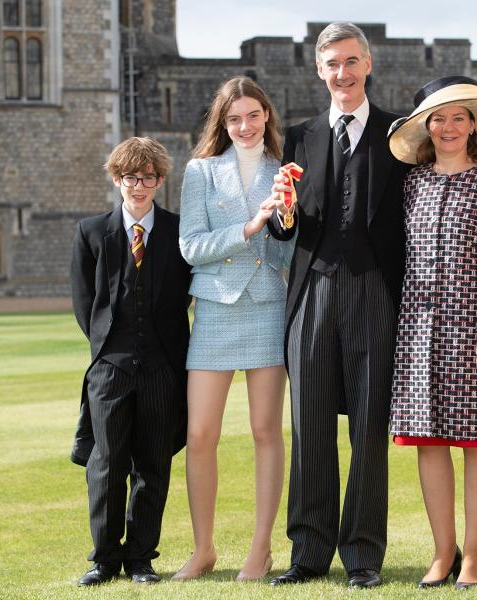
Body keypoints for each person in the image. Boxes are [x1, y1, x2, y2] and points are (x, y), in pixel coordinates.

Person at [265, 22, 409, 589]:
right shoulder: (300, 137)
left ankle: (364, 555)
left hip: (376, 293)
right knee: (309, 429)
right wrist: (284, 214)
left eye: (351, 62)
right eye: (332, 65)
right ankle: (309, 552)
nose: (342, 73)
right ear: (319, 71)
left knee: (370, 430)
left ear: (367, 64)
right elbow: (287, 231)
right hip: (313, 295)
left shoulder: (400, 134)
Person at [386, 76, 477, 589]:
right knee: (429, 442)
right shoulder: (411, 184)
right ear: (426, 126)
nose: (448, 127)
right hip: (419, 333)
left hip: (476, 332)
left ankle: (473, 554)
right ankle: (441, 552)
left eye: (458, 117)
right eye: (438, 118)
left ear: (473, 126)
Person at [171, 76, 290, 583]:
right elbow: (190, 247)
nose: (244, 126)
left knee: (266, 431)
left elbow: (288, 251)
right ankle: (203, 550)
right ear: (223, 123)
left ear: (267, 117)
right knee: (200, 435)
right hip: (216, 310)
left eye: (253, 116)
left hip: (268, 305)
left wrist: (285, 218)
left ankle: (259, 551)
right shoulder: (200, 171)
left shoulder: (284, 172)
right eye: (234, 118)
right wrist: (248, 227)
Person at [70, 137, 192, 586]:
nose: (137, 187)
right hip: (110, 366)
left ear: (160, 180)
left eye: (145, 178)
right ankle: (103, 558)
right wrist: (108, 350)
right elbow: (85, 304)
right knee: (106, 462)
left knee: (153, 463)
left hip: (163, 366)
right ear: (116, 179)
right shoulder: (90, 232)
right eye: (128, 178)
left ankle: (140, 557)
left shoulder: (180, 231)